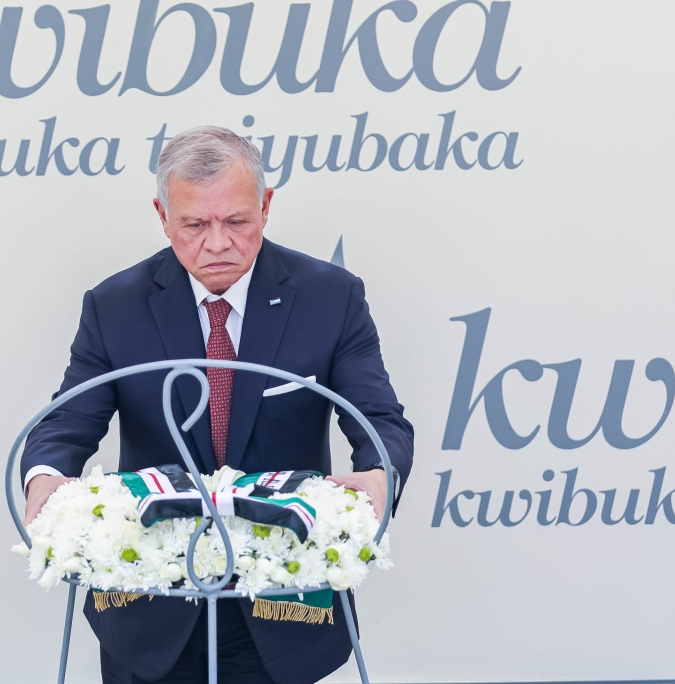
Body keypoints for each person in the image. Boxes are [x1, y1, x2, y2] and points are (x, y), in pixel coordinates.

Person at [21, 125, 414, 684]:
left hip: (284, 606)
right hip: (151, 608)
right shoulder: (116, 306)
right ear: (162, 215)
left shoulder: (331, 297)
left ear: (266, 205)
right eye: (194, 225)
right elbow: (67, 421)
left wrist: (378, 475)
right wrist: (45, 478)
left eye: (236, 221)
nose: (217, 243)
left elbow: (379, 419)